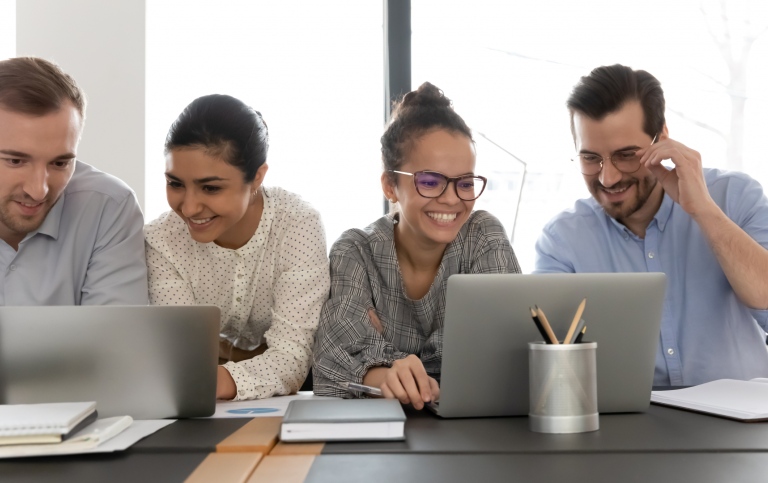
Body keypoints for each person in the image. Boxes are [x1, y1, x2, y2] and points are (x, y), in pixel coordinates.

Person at [535, 64, 768, 386]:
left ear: (663, 139)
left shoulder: (736, 197)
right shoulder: (563, 239)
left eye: (626, 155)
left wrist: (703, 211)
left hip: (744, 425)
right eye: (591, 158)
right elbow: (550, 359)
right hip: (629, 428)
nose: (608, 177)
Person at [313, 82, 521, 408]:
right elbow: (328, 367)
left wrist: (381, 360)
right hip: (379, 438)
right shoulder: (356, 250)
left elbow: (505, 356)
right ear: (390, 186)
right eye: (430, 181)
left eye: (465, 183)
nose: (452, 198)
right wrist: (390, 375)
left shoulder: (483, 236)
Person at [144, 94, 330, 401]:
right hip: (205, 408)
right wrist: (205, 372)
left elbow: (293, 360)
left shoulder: (297, 224)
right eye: (175, 183)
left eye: (211, 188)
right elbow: (184, 361)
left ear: (257, 176)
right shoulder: (161, 241)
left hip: (290, 402)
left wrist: (209, 374)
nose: (189, 207)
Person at [0, 56, 147, 305]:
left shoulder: (108, 206)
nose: (38, 191)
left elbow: (115, 339)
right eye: (16, 161)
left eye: (60, 163)